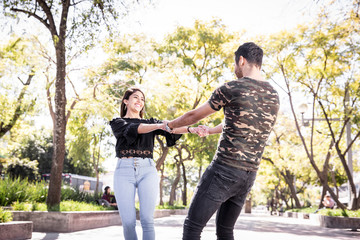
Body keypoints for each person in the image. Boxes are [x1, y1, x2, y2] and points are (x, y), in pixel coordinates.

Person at [164, 42, 280, 240]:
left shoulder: (232, 88)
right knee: (225, 231)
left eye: (235, 64)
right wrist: (209, 131)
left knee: (192, 228)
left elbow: (193, 116)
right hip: (248, 175)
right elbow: (240, 122)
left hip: (224, 170)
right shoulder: (273, 95)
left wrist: (169, 126)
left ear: (241, 60)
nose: (235, 69)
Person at [110, 87, 202, 240]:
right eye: (135, 97)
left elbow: (172, 128)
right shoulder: (117, 122)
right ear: (126, 101)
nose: (140, 101)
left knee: (147, 220)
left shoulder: (150, 122)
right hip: (123, 172)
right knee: (128, 222)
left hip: (148, 171)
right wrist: (159, 125)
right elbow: (135, 129)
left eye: (142, 99)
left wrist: (192, 129)